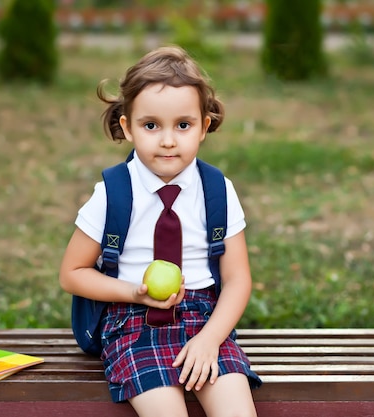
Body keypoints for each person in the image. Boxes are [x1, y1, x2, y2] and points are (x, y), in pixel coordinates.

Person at [59, 45, 261, 417]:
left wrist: (210, 340)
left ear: (204, 126)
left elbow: (237, 280)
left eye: (183, 125)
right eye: (151, 125)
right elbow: (72, 274)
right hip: (133, 323)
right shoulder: (113, 193)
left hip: (204, 320)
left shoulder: (217, 190)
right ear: (127, 127)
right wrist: (133, 293)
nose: (168, 140)